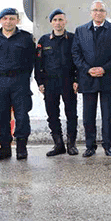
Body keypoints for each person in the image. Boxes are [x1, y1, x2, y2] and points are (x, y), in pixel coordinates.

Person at [72, 0, 111, 157]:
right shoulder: (81, 30)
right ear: (90, 13)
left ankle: (108, 145)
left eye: (101, 10)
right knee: (88, 115)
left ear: (106, 13)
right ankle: (90, 146)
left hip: (107, 78)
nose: (98, 13)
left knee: (107, 114)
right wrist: (88, 69)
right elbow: (76, 53)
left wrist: (104, 68)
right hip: (87, 78)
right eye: (95, 10)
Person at [0, 8, 36, 160]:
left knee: (21, 115)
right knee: (0, 115)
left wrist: (25, 78)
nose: (8, 21)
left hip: (19, 81)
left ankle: (21, 147)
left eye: (12, 18)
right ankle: (4, 148)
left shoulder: (26, 38)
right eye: (5, 18)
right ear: (0, 20)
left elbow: (31, 60)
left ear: (17, 20)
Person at [35, 8, 79, 157]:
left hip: (68, 82)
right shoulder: (44, 40)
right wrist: (39, 83)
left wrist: (77, 80)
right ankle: (58, 144)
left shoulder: (73, 38)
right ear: (51, 23)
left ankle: (71, 144)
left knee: (71, 114)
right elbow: (38, 63)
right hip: (50, 83)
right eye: (55, 20)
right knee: (52, 114)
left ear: (65, 21)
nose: (58, 23)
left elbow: (78, 61)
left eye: (60, 19)